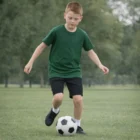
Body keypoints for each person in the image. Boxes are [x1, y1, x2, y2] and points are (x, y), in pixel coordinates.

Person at [24, 2, 109, 134]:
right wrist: (30, 62)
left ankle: (77, 125)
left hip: (74, 71)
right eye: (70, 18)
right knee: (58, 97)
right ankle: (54, 111)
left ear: (80, 18)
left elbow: (90, 51)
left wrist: (100, 64)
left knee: (78, 99)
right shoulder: (56, 31)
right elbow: (41, 46)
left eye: (76, 19)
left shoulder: (82, 35)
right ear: (65, 16)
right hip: (56, 70)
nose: (72, 21)